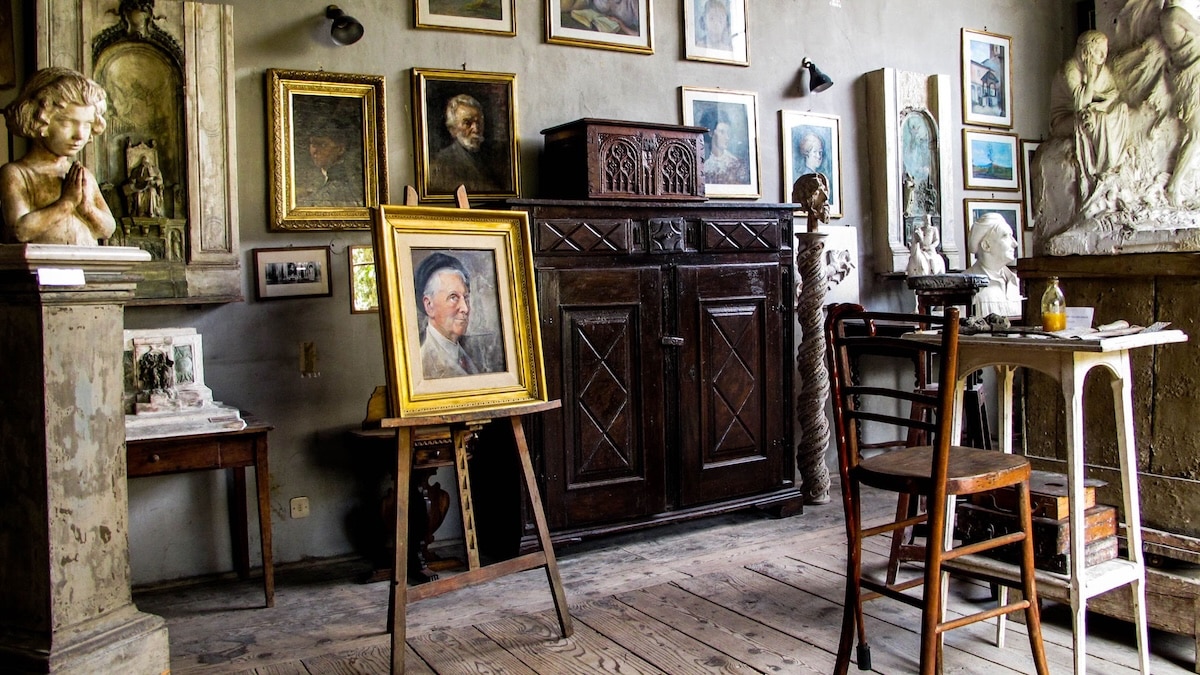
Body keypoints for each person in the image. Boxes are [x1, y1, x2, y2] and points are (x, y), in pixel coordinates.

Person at [0, 67, 116, 246]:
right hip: (40, 268)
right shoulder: (16, 173)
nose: (79, 135)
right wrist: (66, 204)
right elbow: (20, 230)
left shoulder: (80, 175)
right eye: (67, 123)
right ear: (39, 120)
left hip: (87, 266)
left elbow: (108, 229)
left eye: (87, 125)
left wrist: (87, 209)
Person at [1048, 30, 1129, 205]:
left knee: (1121, 109)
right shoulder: (1069, 69)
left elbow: (1114, 93)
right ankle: (1101, 168)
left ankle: (1112, 162)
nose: (1103, 55)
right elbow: (1080, 105)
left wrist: (1100, 103)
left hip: (1091, 111)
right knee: (1093, 118)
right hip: (1064, 120)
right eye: (1098, 51)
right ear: (1086, 50)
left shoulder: (1102, 70)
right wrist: (1090, 79)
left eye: (1105, 51)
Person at [415, 252, 479, 379]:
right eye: (453, 297)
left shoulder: (471, 354)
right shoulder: (422, 365)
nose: (465, 308)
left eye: (465, 297)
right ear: (429, 306)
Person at [428, 94, 504, 195]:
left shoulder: (494, 157)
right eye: (467, 123)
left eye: (478, 122)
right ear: (453, 129)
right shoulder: (441, 163)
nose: (476, 129)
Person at [964, 212, 1023, 318]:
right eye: (1005, 236)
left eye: (1012, 236)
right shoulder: (964, 285)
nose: (1015, 243)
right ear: (986, 245)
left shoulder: (1016, 282)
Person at [296, 119, 364, 207]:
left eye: (322, 145)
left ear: (340, 149)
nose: (314, 151)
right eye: (313, 144)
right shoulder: (321, 179)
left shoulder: (341, 186)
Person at [702, 118, 747, 184]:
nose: (727, 137)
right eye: (722, 132)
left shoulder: (735, 163)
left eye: (728, 133)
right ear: (711, 133)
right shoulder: (704, 163)